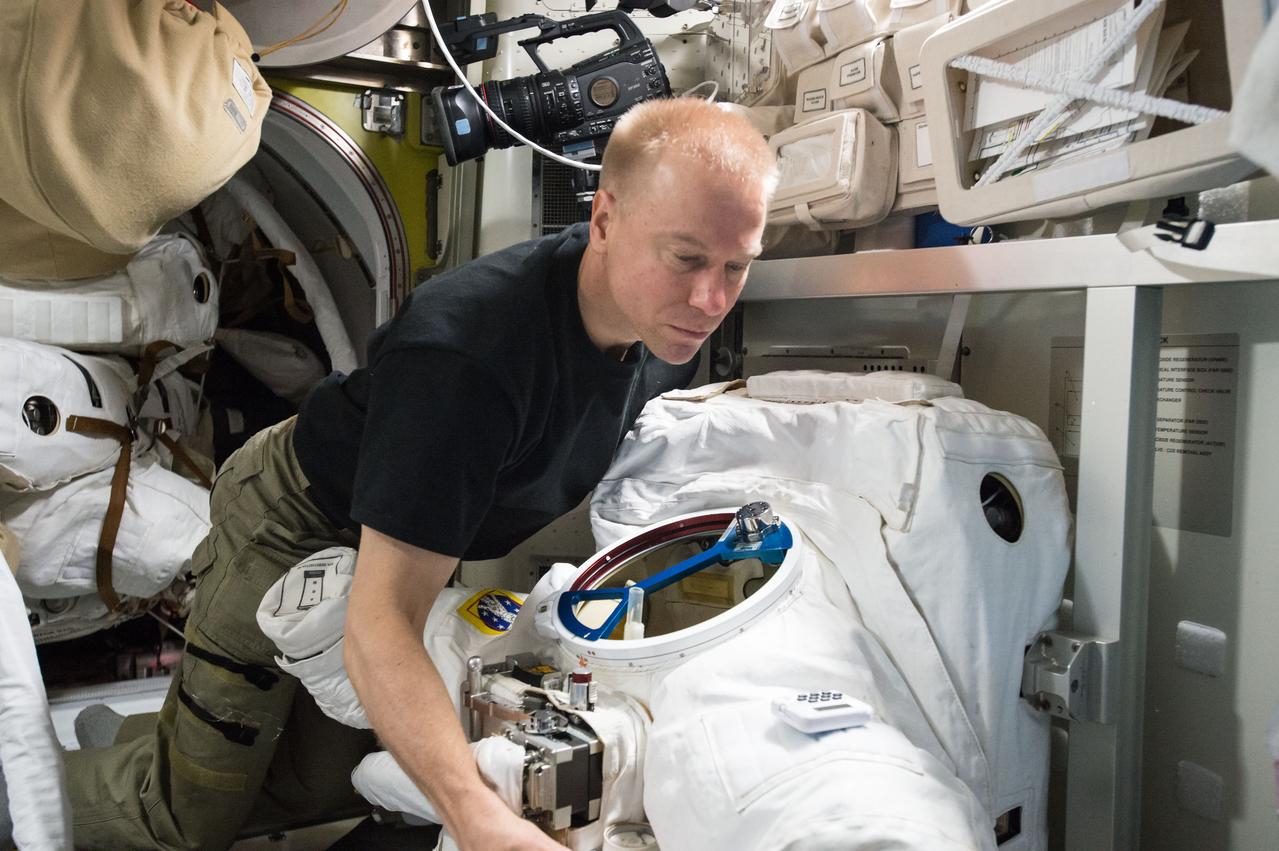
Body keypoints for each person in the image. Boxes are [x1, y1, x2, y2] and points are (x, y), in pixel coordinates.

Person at [60, 96, 778, 850]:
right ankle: (56, 786)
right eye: (687, 258)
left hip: (392, 529)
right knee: (181, 820)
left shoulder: (663, 331)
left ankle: (160, 737)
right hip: (293, 522)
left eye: (737, 266)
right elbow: (380, 628)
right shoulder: (469, 356)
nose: (710, 300)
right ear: (603, 219)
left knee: (317, 782)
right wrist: (478, 819)